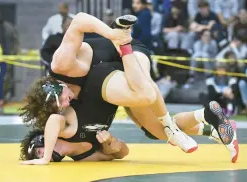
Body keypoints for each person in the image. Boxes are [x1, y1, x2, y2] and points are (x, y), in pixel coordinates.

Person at [19, 14, 238, 164]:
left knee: (146, 92)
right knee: (153, 129)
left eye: (63, 99)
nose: (67, 103)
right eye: (61, 106)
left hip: (114, 59)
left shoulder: (61, 67)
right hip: (114, 79)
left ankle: (173, 127)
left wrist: (111, 34)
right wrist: (112, 145)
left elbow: (79, 21)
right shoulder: (77, 140)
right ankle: (206, 119)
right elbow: (121, 153)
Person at [20, 129, 129, 163]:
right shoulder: (85, 158)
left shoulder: (66, 126)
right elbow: (120, 154)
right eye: (41, 158)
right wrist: (109, 143)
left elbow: (54, 119)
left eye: (39, 152)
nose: (44, 156)